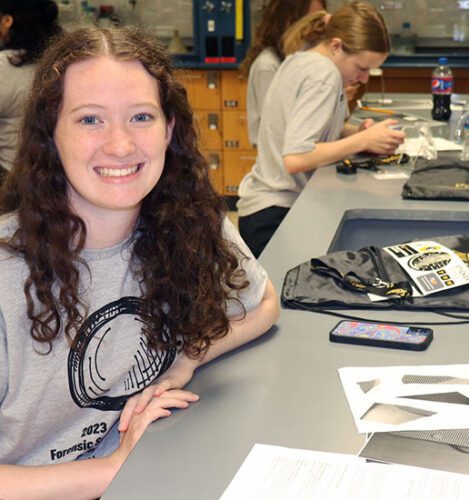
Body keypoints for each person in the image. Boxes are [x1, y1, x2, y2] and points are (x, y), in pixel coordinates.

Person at [0, 26, 280, 498]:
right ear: (50, 132)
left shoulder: (189, 222)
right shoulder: (7, 271)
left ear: (169, 130)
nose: (121, 146)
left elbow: (263, 302)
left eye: (141, 117)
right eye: (90, 120)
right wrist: (111, 470)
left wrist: (184, 363)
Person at [237, 1, 406, 258]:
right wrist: (362, 141)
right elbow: (296, 157)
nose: (364, 78)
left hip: (264, 209)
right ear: (336, 45)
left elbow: (312, 129)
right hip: (274, 214)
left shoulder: (303, 58)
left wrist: (360, 134)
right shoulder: (324, 75)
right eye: (361, 68)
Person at [241, 0, 327, 146]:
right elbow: (278, 129)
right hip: (280, 158)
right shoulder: (268, 66)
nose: (317, 30)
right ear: (291, 23)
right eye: (311, 21)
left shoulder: (300, 61)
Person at [0, 0, 62, 179]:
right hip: (55, 175)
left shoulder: (4, 66)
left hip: (11, 175)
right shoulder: (62, 61)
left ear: (7, 21)